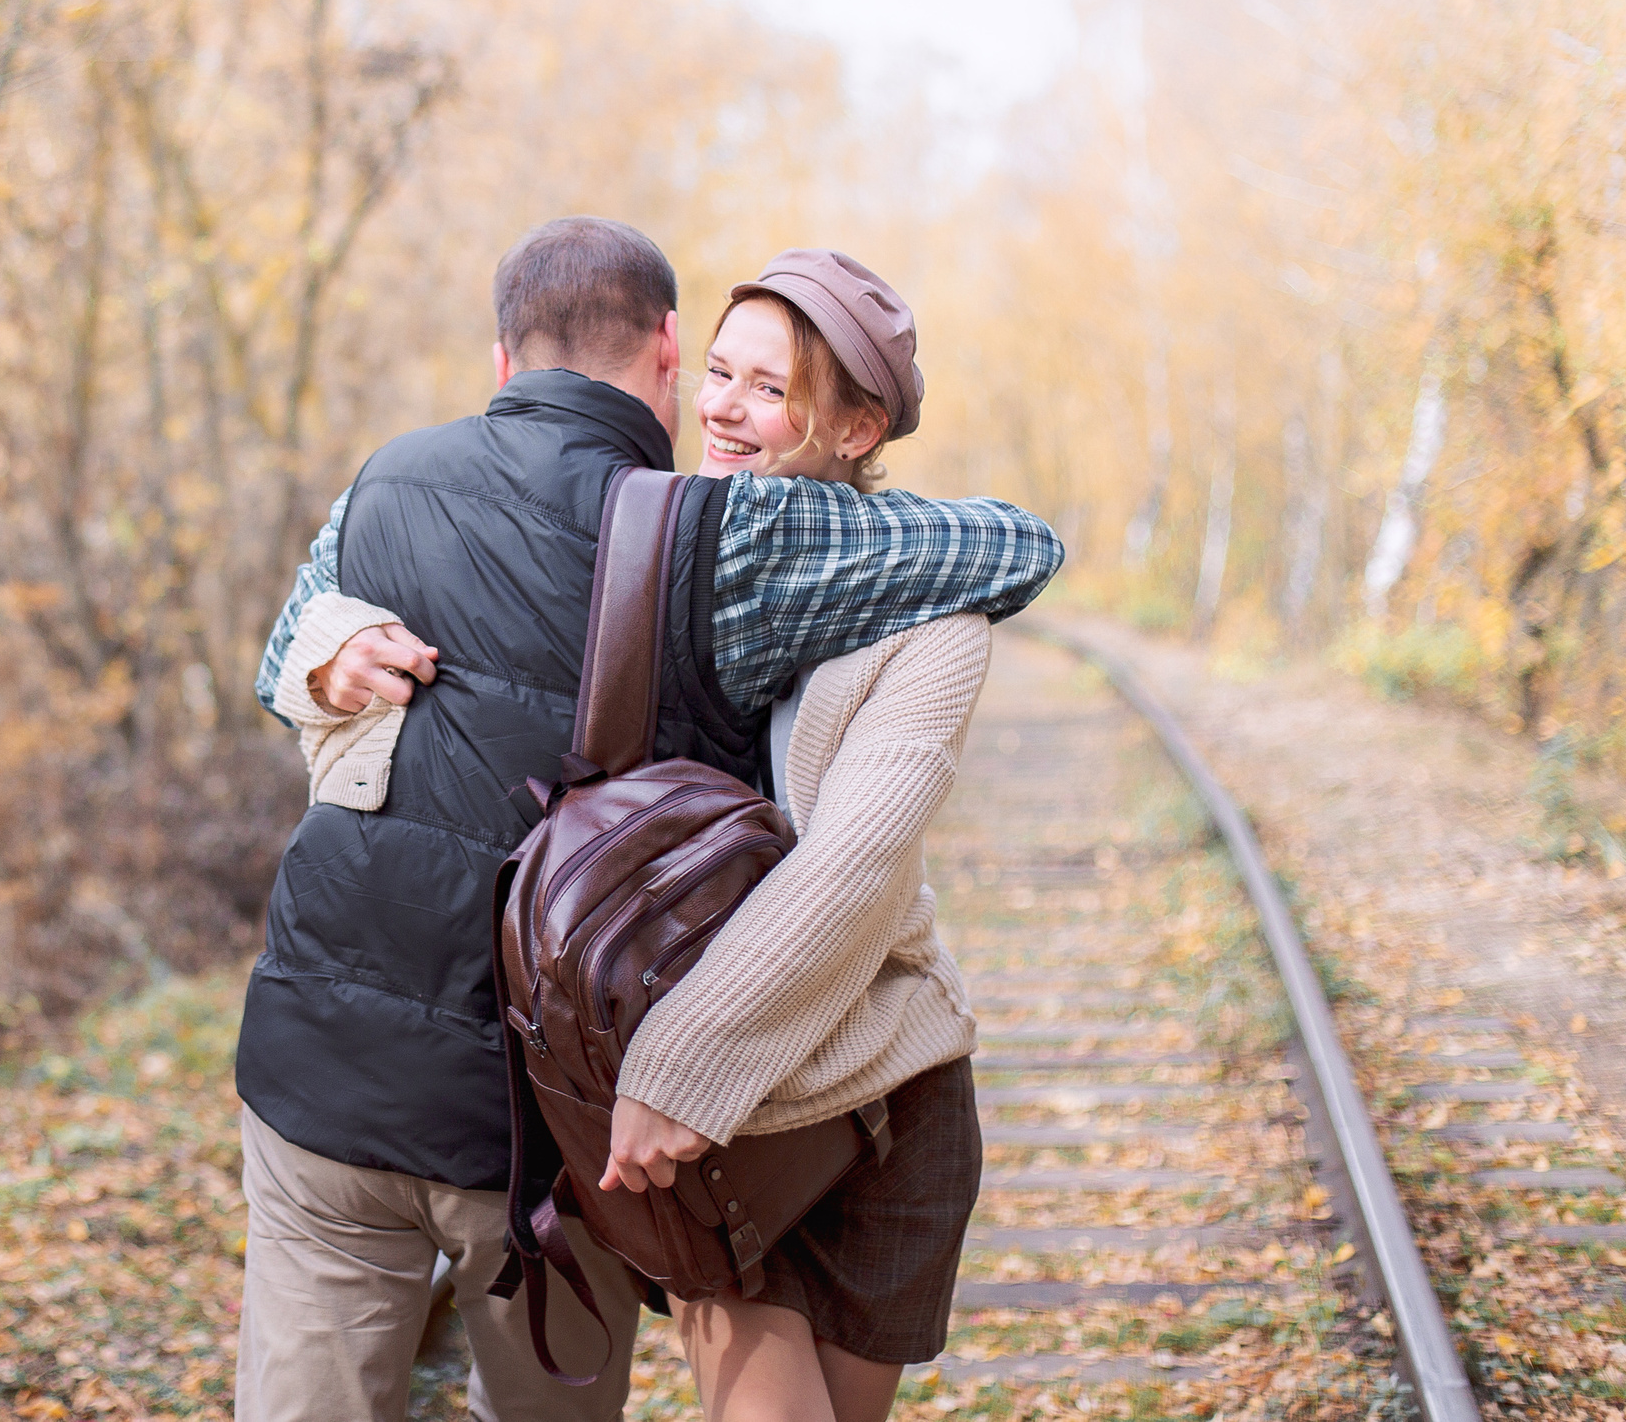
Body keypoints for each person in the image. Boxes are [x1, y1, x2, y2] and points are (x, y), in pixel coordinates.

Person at [234, 220, 1059, 1422]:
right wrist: (318, 649)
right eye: (720, 371)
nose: (725, 406)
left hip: (348, 1070)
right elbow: (1015, 544)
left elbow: (287, 647)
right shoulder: (688, 526)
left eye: (769, 387)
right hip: (609, 1104)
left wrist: (317, 660)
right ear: (671, 352)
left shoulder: (410, 481)